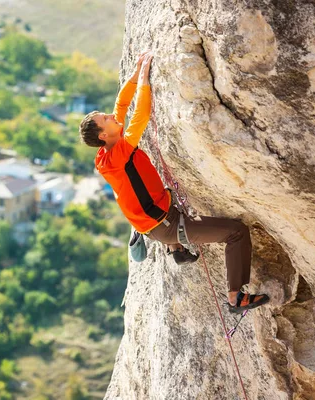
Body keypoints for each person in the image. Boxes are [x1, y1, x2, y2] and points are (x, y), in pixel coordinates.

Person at [78, 51, 269, 313]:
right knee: (236, 232)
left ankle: (175, 248)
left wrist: (134, 76)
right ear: (103, 134)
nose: (111, 116)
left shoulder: (108, 149)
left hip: (154, 220)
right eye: (105, 119)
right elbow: (140, 117)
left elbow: (121, 105)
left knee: (164, 209)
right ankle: (236, 297)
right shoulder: (117, 155)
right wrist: (144, 81)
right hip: (165, 224)